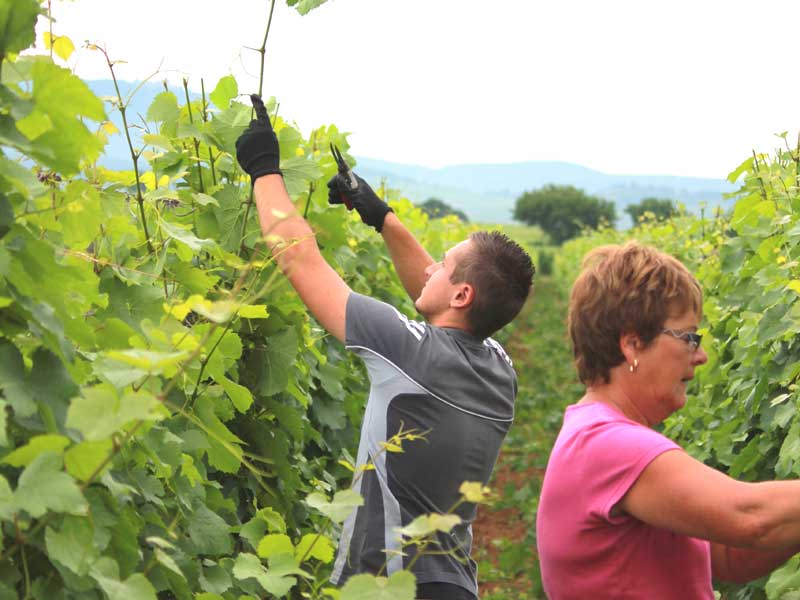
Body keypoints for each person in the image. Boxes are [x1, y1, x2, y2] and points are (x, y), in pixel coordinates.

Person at [235, 96, 534, 600]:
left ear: (462, 295)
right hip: (455, 586)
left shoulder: (408, 353)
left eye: (443, 264)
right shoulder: (500, 369)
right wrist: (381, 217)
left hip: (389, 587)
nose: (431, 268)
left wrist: (264, 167)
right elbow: (438, 291)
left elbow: (301, 260)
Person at [536, 241, 800, 599]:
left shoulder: (596, 433)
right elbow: (751, 517)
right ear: (632, 344)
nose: (702, 355)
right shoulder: (608, 443)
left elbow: (727, 557)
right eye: (690, 337)